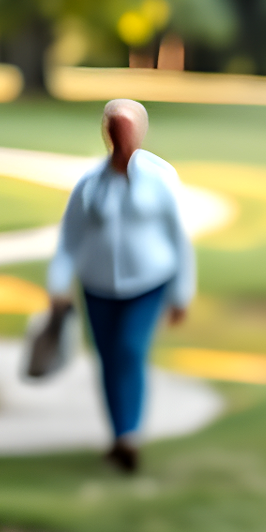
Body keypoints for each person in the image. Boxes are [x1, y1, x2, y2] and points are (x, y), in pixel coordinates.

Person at [46, 99, 194, 473]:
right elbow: (70, 239)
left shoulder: (159, 179)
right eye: (115, 127)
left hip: (148, 283)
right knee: (108, 357)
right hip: (98, 286)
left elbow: (179, 237)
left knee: (129, 350)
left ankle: (130, 436)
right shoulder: (91, 185)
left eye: (128, 128)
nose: (121, 136)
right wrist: (58, 285)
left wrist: (181, 293)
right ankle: (117, 435)